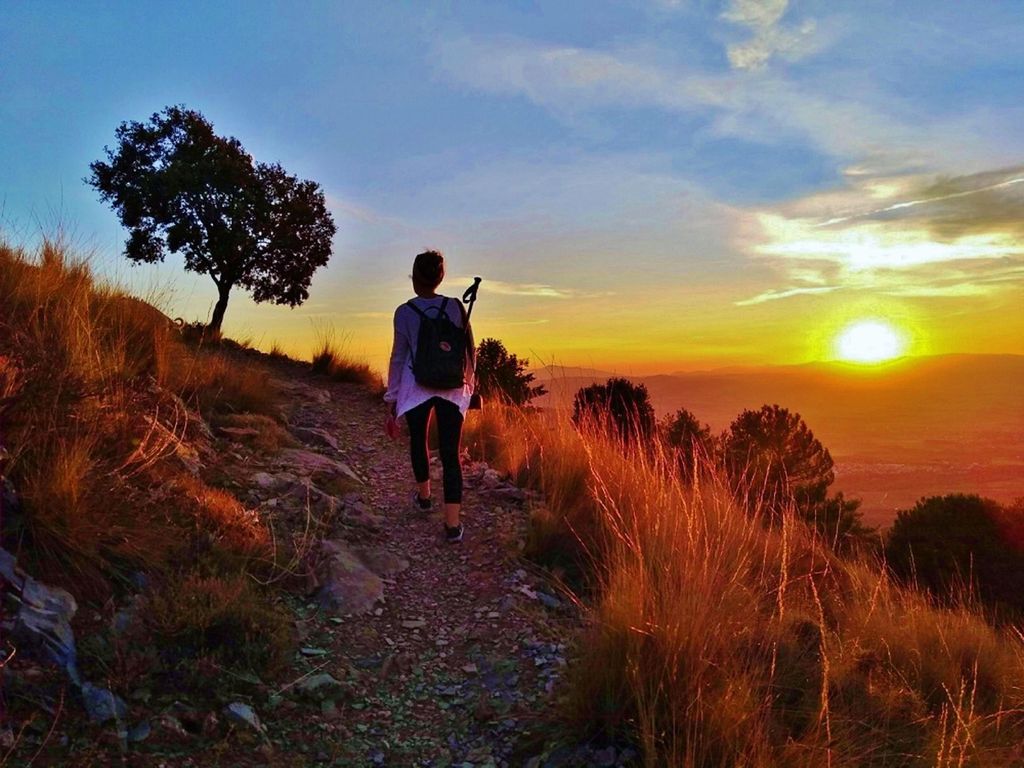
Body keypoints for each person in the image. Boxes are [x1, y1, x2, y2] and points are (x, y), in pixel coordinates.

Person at [384, 250, 475, 543]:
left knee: (419, 441)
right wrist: (469, 387)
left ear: (414, 277)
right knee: (451, 454)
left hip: (416, 387)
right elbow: (469, 351)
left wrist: (392, 398)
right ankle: (452, 525)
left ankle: (424, 497)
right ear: (441, 277)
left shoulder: (404, 312)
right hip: (452, 387)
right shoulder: (456, 307)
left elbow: (398, 357)